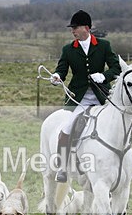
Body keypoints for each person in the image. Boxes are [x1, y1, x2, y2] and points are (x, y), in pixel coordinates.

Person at [50, 10, 121, 183]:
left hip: (102, 96)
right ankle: (62, 167)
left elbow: (116, 68)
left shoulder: (104, 45)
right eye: (72, 28)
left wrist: (104, 76)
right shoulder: (68, 49)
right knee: (66, 129)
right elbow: (62, 69)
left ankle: (127, 164)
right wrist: (57, 76)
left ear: (86, 28)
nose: (72, 31)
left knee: (120, 126)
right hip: (79, 98)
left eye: (76, 27)